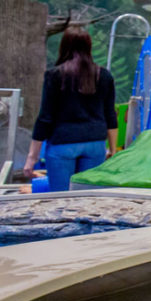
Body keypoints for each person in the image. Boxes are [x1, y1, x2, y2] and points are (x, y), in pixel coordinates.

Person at [23, 27, 118, 191]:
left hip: (63, 143)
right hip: (95, 143)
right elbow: (110, 115)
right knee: (87, 201)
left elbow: (45, 117)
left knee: (60, 198)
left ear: (64, 46)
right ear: (89, 47)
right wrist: (114, 150)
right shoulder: (104, 76)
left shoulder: (55, 75)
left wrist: (32, 157)